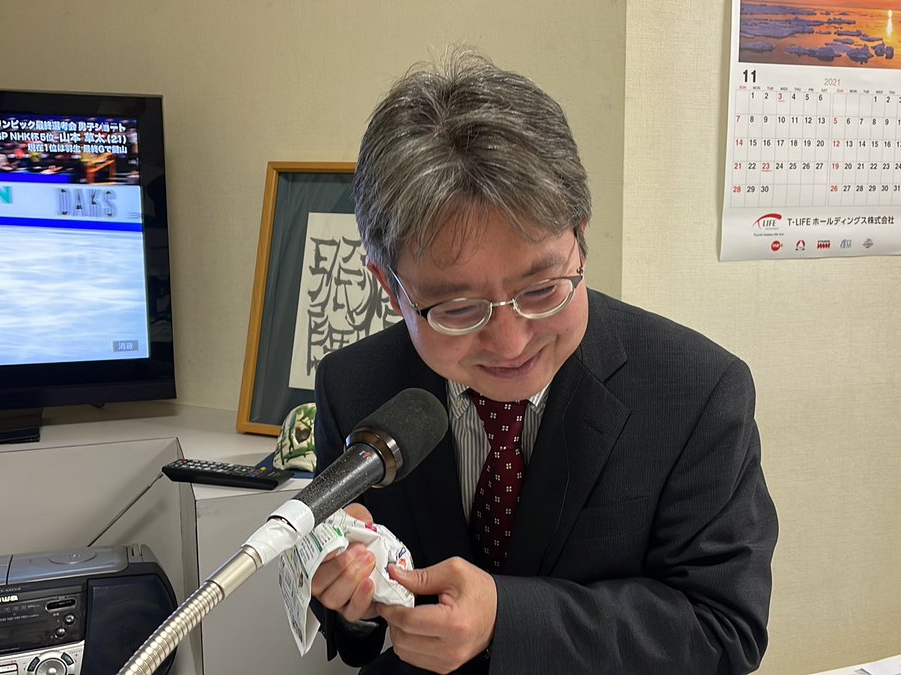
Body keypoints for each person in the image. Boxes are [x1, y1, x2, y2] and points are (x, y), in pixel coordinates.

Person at [310, 49, 777, 675]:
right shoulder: (353, 386)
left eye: (541, 289)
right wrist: (353, 598)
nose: (509, 343)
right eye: (457, 308)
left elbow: (723, 631)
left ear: (580, 235)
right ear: (390, 288)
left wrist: (508, 619)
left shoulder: (697, 392)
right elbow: (353, 640)